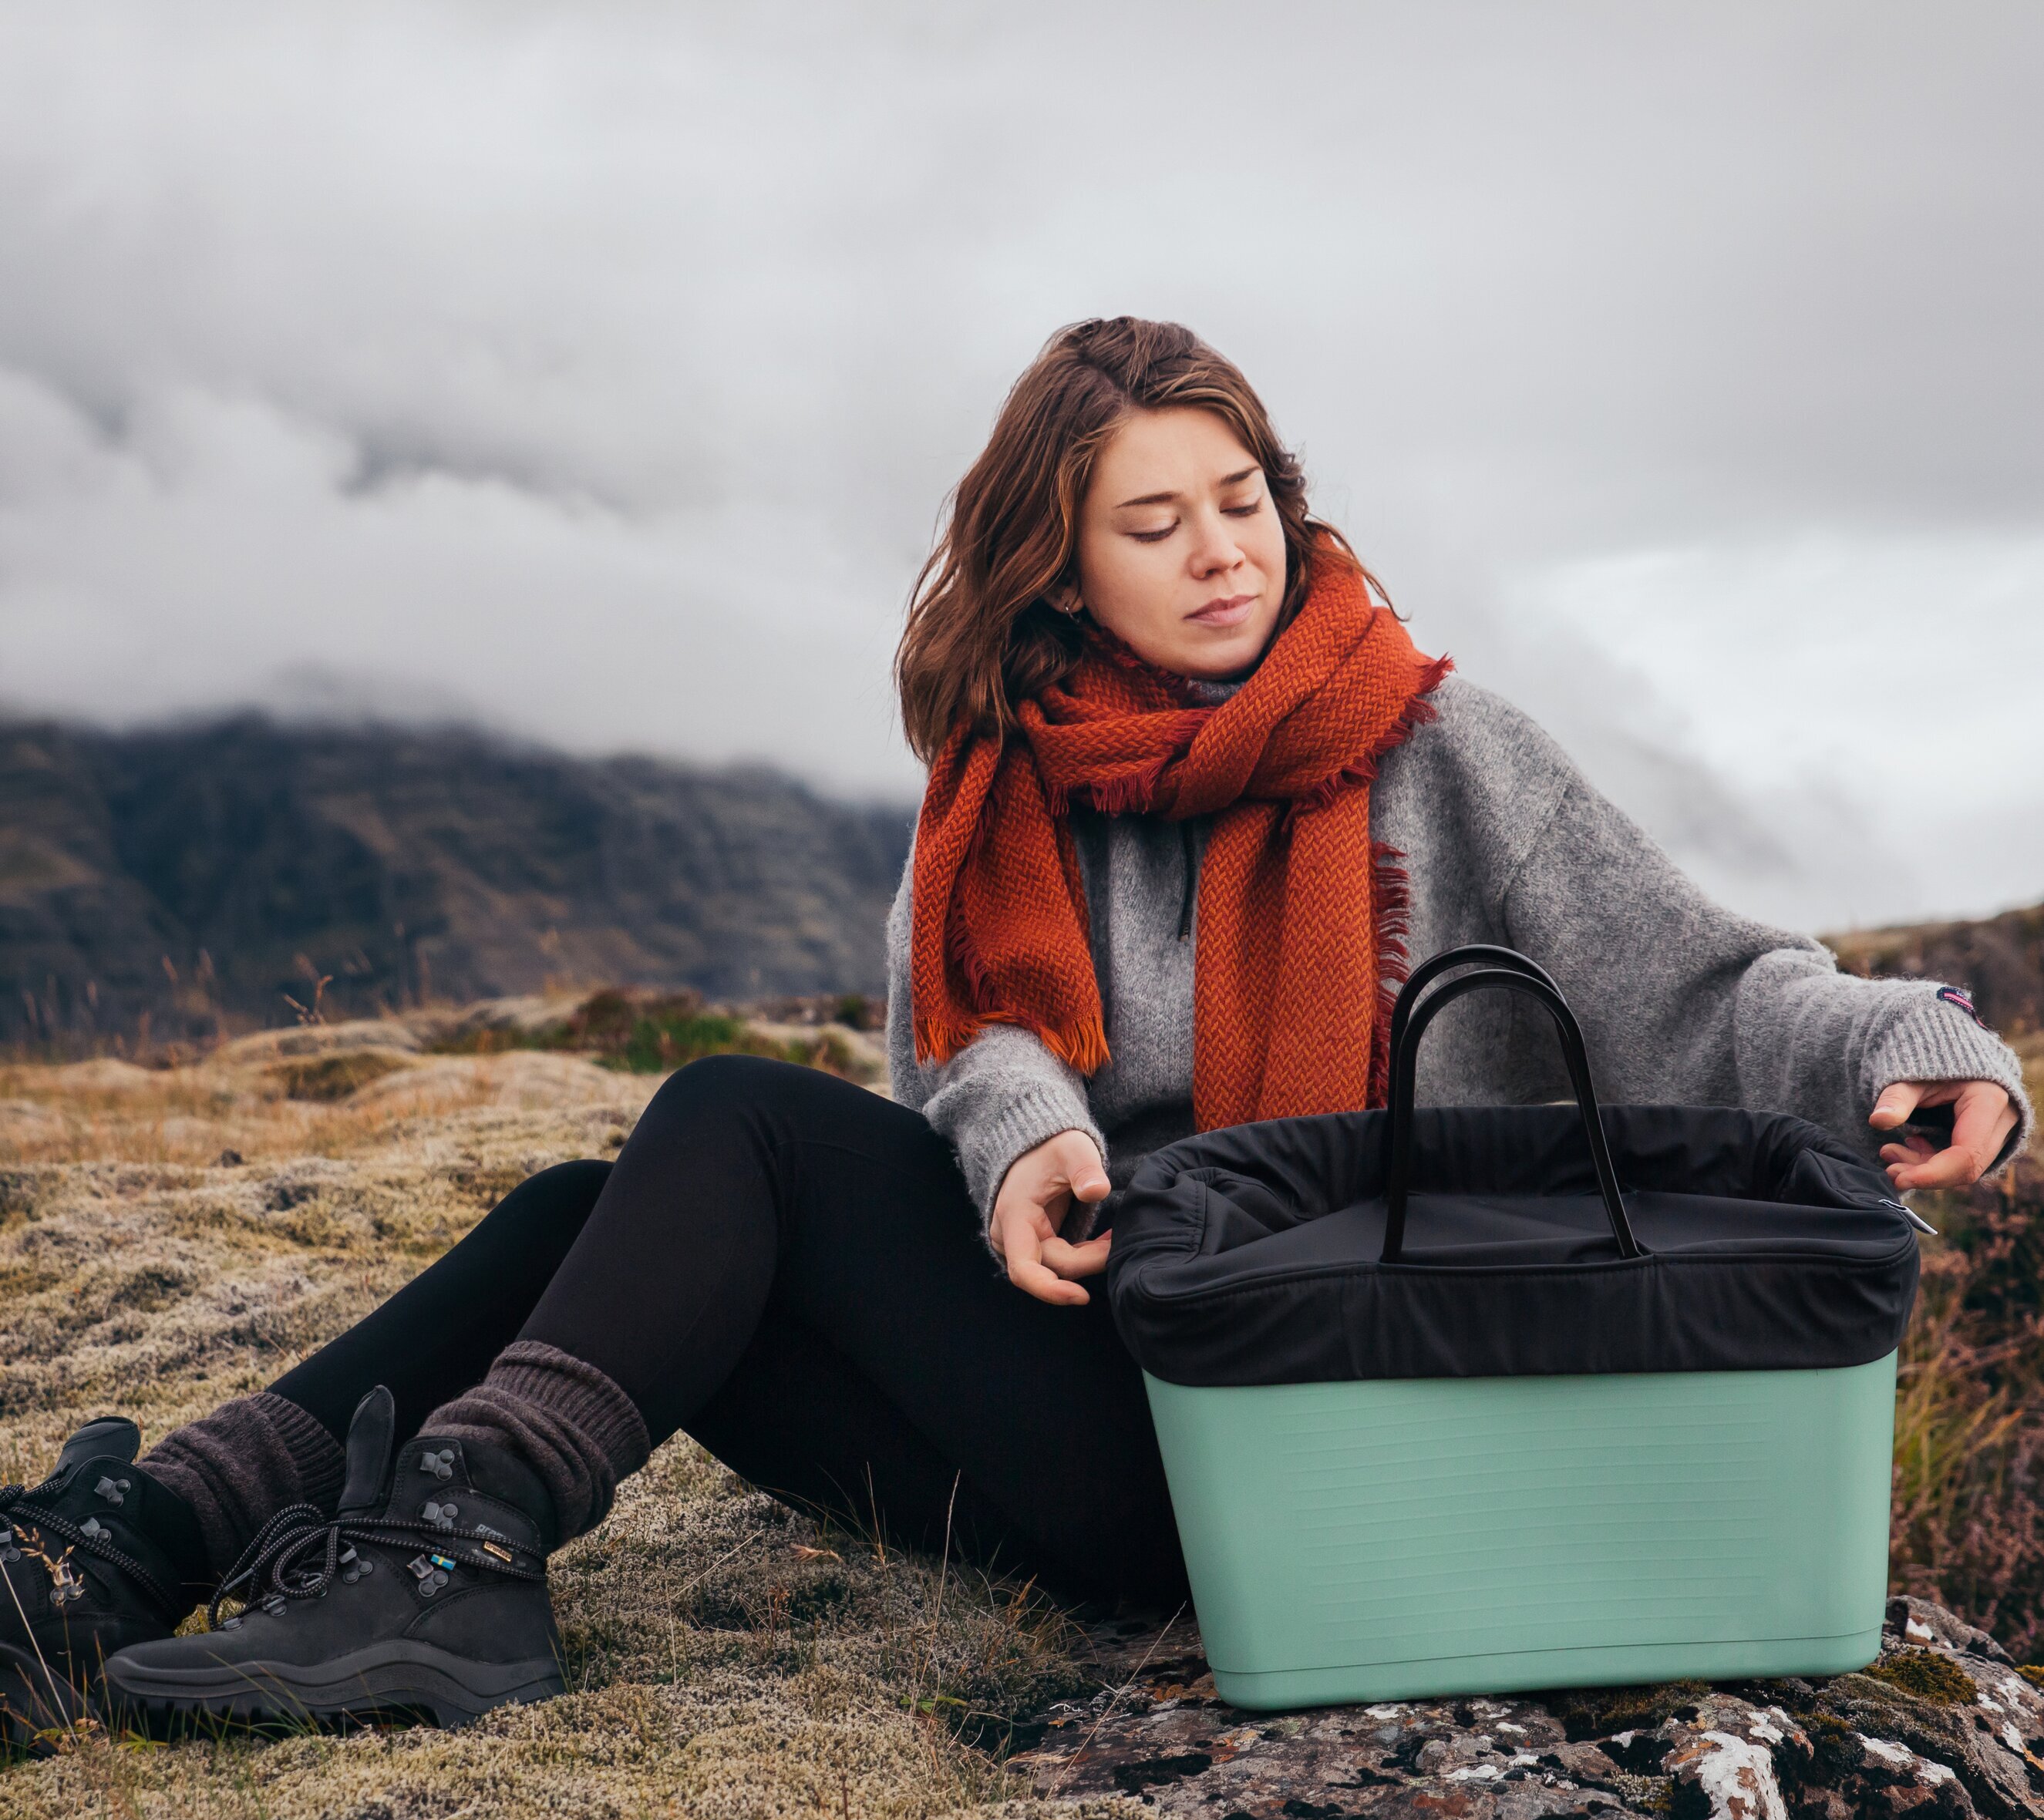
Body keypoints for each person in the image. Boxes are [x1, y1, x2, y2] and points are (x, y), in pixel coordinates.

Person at [2, 317, 2028, 1743]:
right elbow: (974, 1049)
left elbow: (1707, 983)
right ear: (1059, 561)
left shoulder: (1443, 750)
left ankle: (448, 1568)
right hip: (1089, 1389)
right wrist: (1023, 1141)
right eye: (1157, 524)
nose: (1222, 551)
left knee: (728, 1119)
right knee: (574, 1211)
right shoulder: (1008, 786)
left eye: (1240, 500)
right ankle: (140, 1549)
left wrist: (1907, 1043)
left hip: (1311, 1443)